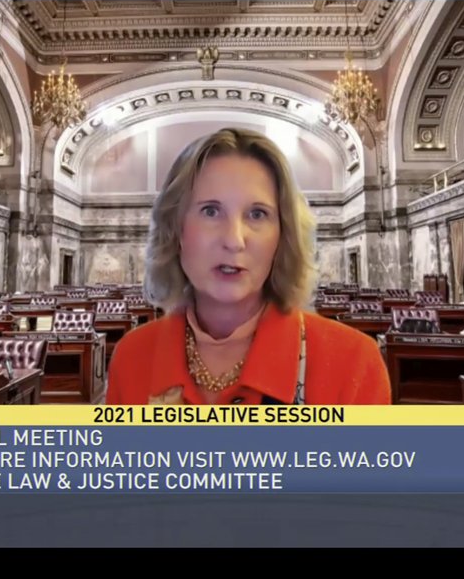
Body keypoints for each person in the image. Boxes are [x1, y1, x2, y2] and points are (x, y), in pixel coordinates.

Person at [106, 127, 391, 405]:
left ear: (283, 235)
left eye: (257, 214)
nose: (234, 240)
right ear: (176, 230)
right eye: (210, 211)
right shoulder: (132, 357)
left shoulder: (353, 362)